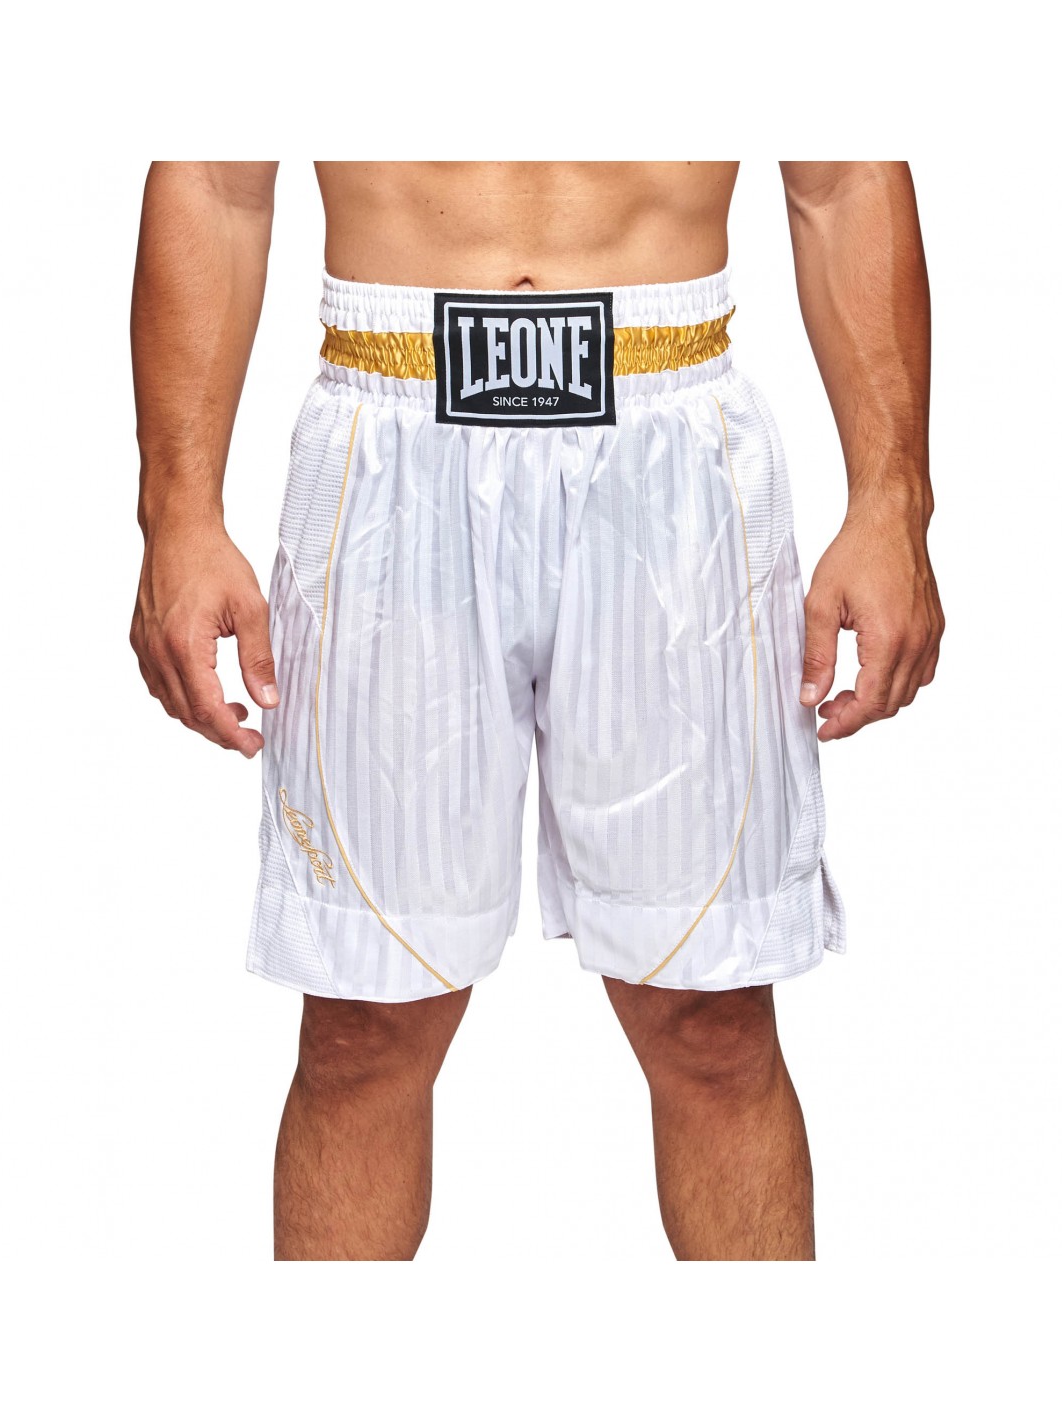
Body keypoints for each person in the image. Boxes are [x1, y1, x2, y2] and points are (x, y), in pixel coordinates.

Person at [130, 161, 943, 1261]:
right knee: (364, 1029)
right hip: (390, 425)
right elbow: (215, 178)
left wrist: (893, 501)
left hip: (669, 435)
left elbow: (841, 177)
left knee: (711, 1023)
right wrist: (177, 511)